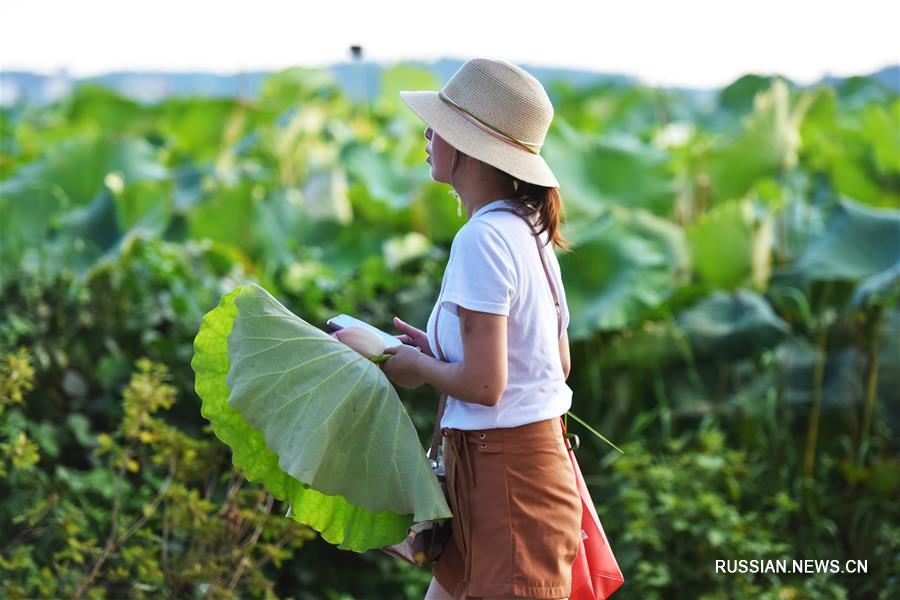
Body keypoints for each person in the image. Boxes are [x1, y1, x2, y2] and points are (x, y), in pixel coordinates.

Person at [381, 58, 581, 600]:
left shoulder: (483, 238)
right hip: (510, 472)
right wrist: (440, 351)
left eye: (438, 126)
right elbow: (554, 364)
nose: (427, 136)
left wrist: (419, 367)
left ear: (468, 146)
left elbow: (488, 386)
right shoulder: (529, 231)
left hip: (506, 483)